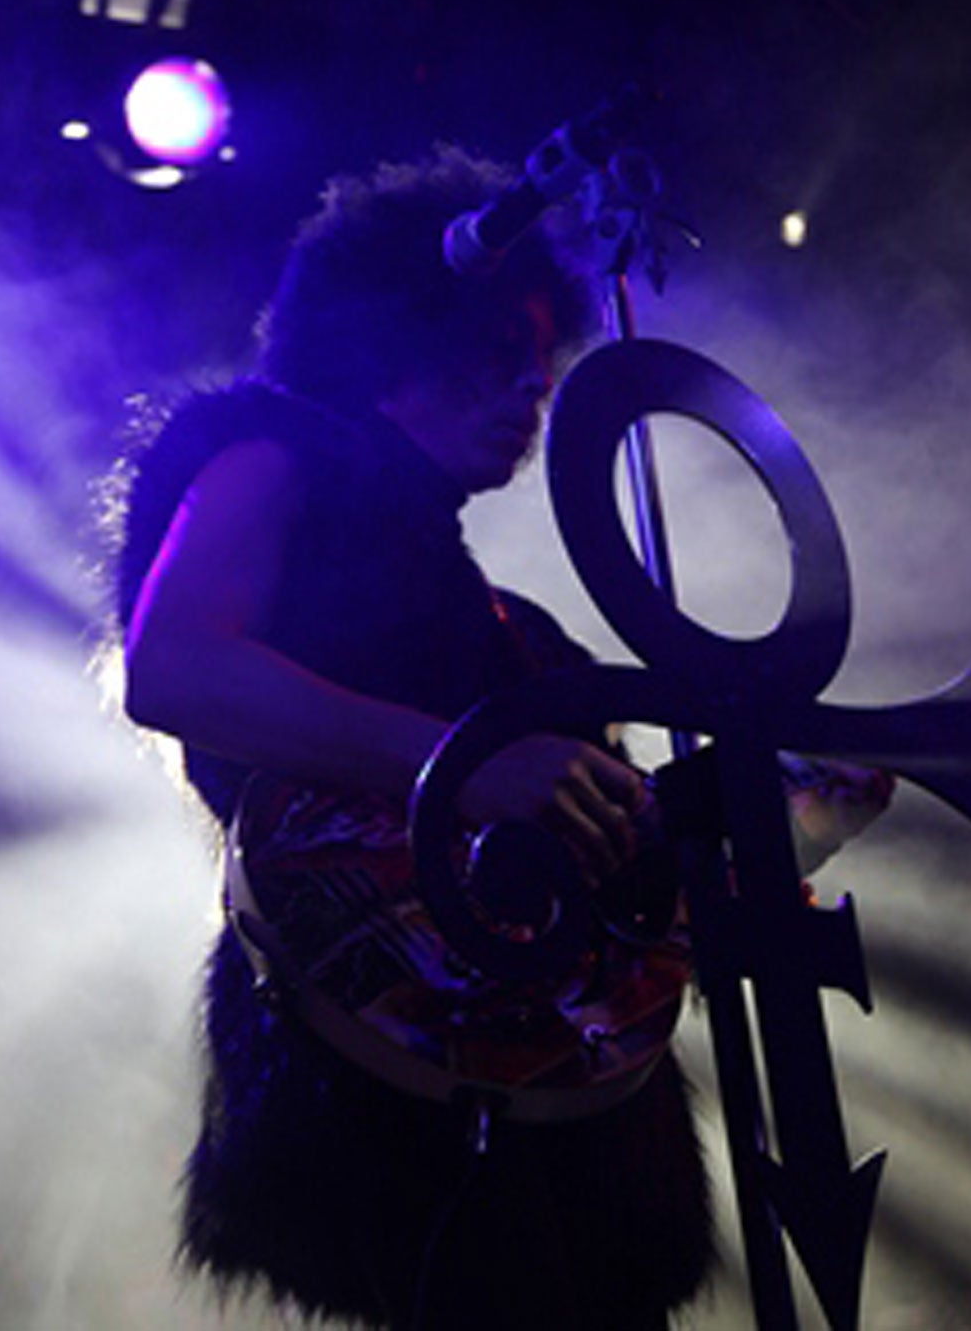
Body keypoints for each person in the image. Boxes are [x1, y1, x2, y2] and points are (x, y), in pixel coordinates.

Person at [107, 147, 714, 1329]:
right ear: (387, 342)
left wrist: (751, 823)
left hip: (536, 1068)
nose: (530, 391)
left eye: (541, 366)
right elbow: (174, 662)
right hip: (399, 1067)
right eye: (496, 353)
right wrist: (464, 767)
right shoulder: (268, 450)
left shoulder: (516, 636)